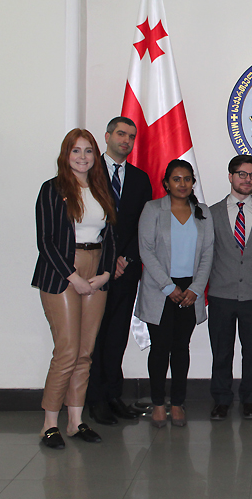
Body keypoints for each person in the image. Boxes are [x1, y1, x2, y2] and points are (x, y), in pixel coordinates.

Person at [33, 128, 116, 449]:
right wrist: (73, 276)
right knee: (67, 351)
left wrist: (105, 273)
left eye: (89, 151)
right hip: (62, 273)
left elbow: (110, 236)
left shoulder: (100, 188)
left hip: (96, 272)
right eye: (76, 151)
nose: (83, 157)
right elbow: (46, 240)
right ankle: (49, 424)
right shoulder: (53, 189)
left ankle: (75, 421)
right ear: (65, 155)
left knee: (85, 352)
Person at [135, 160, 214, 427]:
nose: (182, 184)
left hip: (190, 290)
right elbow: (146, 251)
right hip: (161, 289)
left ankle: (178, 403)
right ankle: (158, 404)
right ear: (166, 183)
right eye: (176, 179)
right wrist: (169, 288)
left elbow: (207, 255)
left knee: (181, 348)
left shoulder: (202, 212)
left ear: (193, 183)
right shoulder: (153, 209)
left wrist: (195, 288)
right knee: (159, 349)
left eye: (187, 179)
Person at [87, 117, 152, 426]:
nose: (126, 140)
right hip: (93, 268)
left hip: (126, 269)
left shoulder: (140, 179)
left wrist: (125, 257)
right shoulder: (87, 173)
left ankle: (113, 394)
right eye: (121, 134)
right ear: (108, 136)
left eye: (131, 136)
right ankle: (94, 398)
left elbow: (144, 225)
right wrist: (107, 258)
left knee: (116, 335)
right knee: (94, 336)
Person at [208, 155, 252, 421]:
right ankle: (222, 400)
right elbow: (207, 254)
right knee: (222, 351)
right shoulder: (211, 213)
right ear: (231, 176)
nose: (247, 180)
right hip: (221, 294)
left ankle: (250, 400)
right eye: (242, 174)